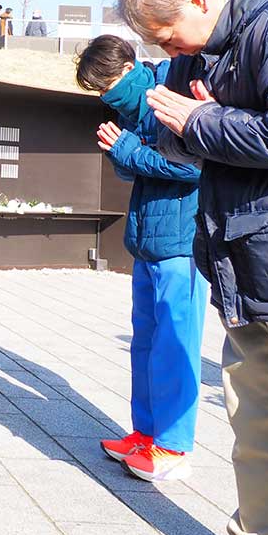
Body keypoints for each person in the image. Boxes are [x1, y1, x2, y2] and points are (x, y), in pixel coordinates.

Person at [118, 0, 268, 535]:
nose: (170, 53)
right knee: (254, 428)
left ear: (198, 2)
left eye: (168, 38)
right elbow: (175, 142)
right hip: (238, 265)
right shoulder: (196, 52)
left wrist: (206, 120)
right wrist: (187, 122)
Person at [75, 34, 205, 483]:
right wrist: (122, 153)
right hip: (149, 240)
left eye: (107, 82)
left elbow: (193, 165)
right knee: (146, 342)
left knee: (175, 343)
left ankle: (172, 445)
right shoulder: (134, 109)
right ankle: (145, 434)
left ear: (130, 67)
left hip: (183, 242)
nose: (105, 94)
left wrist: (128, 150)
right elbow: (144, 165)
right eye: (98, 90)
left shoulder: (173, 92)